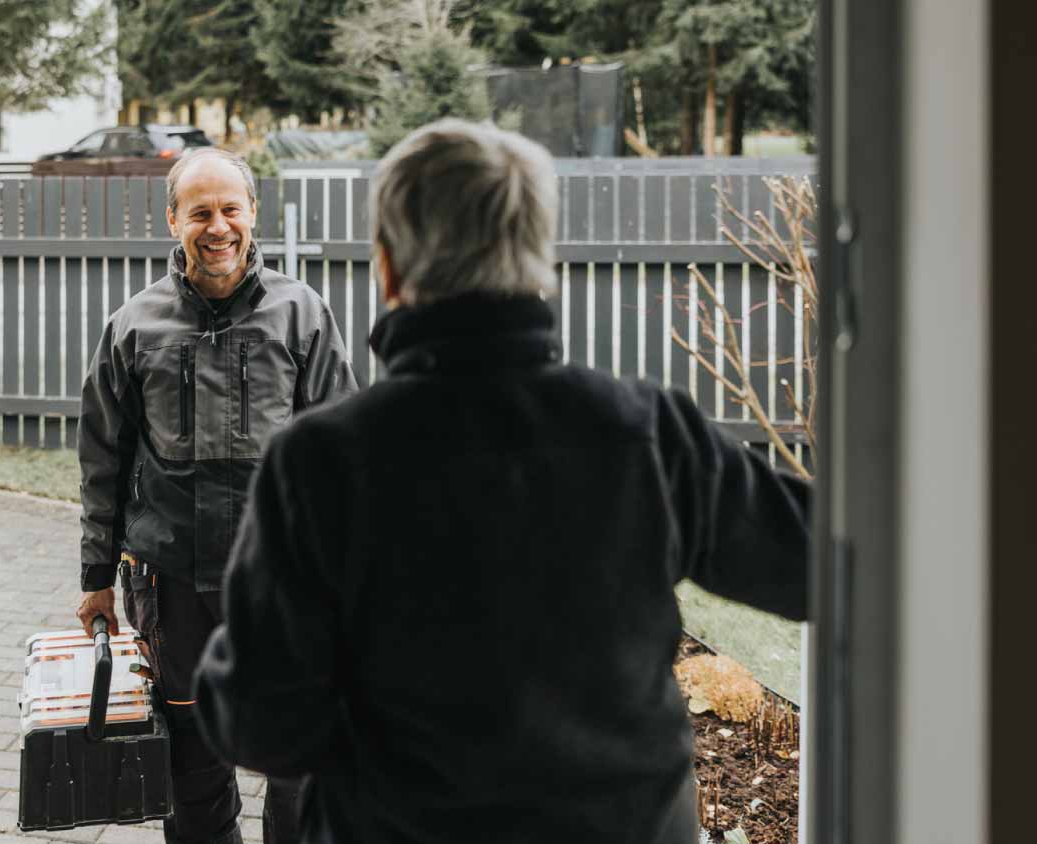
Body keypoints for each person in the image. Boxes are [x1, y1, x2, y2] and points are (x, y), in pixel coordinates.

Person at [191, 120, 810, 843]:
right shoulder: (643, 433)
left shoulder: (321, 462)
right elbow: (822, 565)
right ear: (539, 262)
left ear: (388, 269)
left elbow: (260, 721)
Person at [75, 147, 357, 844]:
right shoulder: (133, 326)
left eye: (231, 209)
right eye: (200, 212)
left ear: (253, 213)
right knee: (193, 770)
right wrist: (95, 580)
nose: (218, 226)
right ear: (174, 219)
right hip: (173, 585)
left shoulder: (303, 314)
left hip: (284, 587)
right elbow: (103, 461)